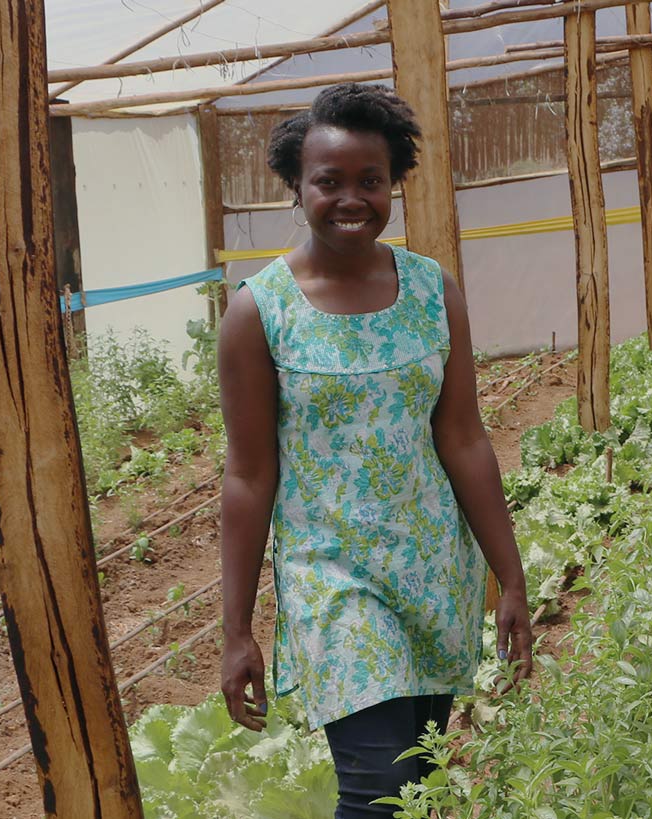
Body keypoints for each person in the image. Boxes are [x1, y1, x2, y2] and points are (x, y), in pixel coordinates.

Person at [216, 82, 533, 818]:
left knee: (415, 783)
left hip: (431, 572)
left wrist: (509, 577)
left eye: (371, 180)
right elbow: (248, 475)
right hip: (334, 582)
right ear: (297, 186)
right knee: (378, 790)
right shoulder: (259, 311)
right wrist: (236, 630)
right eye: (329, 181)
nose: (351, 198)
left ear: (394, 184)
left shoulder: (430, 290)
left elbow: (462, 437)